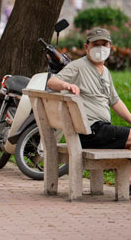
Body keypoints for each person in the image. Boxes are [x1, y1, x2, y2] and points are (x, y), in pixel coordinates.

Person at [47, 27, 131, 182]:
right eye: (95, 45)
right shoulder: (78, 66)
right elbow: (52, 82)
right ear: (86, 47)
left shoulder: (105, 71)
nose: (100, 49)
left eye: (104, 45)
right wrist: (67, 86)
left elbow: (115, 101)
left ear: (109, 47)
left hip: (101, 131)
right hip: (89, 131)